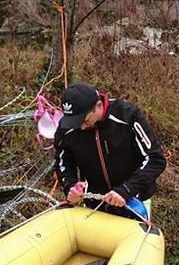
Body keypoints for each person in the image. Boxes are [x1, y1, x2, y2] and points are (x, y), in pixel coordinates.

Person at [54, 82, 166, 219]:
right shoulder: (67, 127)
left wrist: (127, 189)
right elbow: (62, 161)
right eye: (75, 123)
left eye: (86, 120)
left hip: (134, 199)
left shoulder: (127, 115)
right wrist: (69, 185)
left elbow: (155, 159)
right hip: (94, 203)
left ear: (99, 106)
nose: (81, 127)